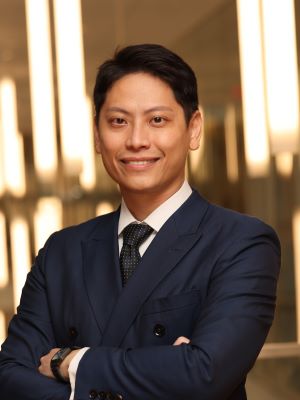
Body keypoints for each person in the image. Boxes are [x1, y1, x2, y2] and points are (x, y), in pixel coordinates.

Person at [0, 44, 280, 400]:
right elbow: (9, 377)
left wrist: (71, 363)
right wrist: (164, 367)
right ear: (98, 136)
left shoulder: (242, 242)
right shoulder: (62, 251)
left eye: (157, 120)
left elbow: (204, 374)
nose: (136, 140)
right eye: (118, 121)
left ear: (193, 129)